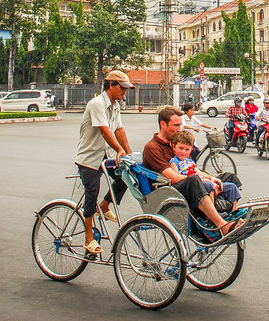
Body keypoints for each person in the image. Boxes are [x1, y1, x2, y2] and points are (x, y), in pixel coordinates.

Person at [143, 107, 243, 236]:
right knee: (194, 180)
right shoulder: (153, 148)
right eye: (176, 125)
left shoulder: (176, 142)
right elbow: (173, 177)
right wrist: (202, 180)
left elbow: (193, 168)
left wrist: (211, 178)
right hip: (169, 189)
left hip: (188, 181)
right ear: (163, 124)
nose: (179, 129)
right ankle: (221, 224)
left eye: (180, 125)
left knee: (229, 177)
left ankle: (232, 215)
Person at [75, 70, 135, 255]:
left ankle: (105, 206)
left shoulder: (115, 105)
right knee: (91, 193)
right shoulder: (97, 104)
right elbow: (104, 130)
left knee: (127, 176)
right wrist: (118, 149)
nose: (125, 92)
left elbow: (119, 130)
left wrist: (128, 152)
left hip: (105, 155)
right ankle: (88, 238)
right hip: (89, 157)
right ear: (111, 85)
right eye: (122, 88)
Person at [170, 131, 240, 212]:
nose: (183, 152)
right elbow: (176, 178)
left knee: (232, 186)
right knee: (209, 185)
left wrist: (211, 178)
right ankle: (212, 213)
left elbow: (199, 172)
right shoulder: (174, 162)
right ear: (174, 147)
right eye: (180, 148)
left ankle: (234, 211)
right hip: (193, 186)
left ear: (190, 150)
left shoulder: (190, 161)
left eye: (186, 149)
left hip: (203, 181)